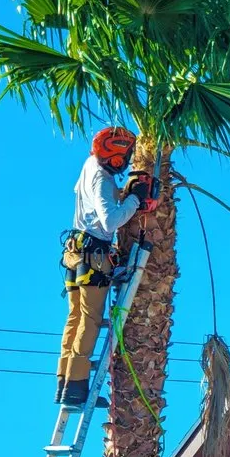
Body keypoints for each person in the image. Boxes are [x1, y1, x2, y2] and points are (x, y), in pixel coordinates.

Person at [56, 126, 153, 408]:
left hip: (75, 251)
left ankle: (65, 384)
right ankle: (77, 390)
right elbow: (110, 222)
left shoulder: (89, 166)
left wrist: (122, 194)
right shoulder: (101, 178)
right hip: (93, 255)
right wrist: (134, 199)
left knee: (74, 318)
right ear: (116, 156)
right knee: (90, 320)